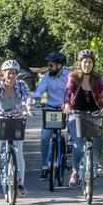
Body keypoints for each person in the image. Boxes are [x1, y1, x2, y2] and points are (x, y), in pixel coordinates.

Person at [63, 49, 103, 187]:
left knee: (97, 137)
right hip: (76, 113)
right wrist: (67, 105)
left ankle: (99, 162)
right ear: (80, 63)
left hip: (95, 113)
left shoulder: (97, 78)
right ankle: (75, 172)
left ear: (93, 64)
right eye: (85, 62)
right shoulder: (74, 78)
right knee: (78, 144)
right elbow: (68, 93)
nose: (87, 65)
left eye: (90, 62)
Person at [0, 59, 32, 193]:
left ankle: (21, 183)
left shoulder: (21, 85)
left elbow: (28, 97)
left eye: (14, 73)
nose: (11, 76)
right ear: (4, 73)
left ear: (17, 74)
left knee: (18, 151)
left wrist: (29, 109)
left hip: (17, 119)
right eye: (9, 73)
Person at [31, 51, 68, 180]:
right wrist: (37, 99)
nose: (49, 67)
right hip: (51, 110)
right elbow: (41, 88)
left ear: (59, 65)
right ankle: (45, 166)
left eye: (51, 65)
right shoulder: (47, 76)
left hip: (66, 110)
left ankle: (68, 152)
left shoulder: (69, 76)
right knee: (44, 137)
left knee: (72, 134)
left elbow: (72, 90)